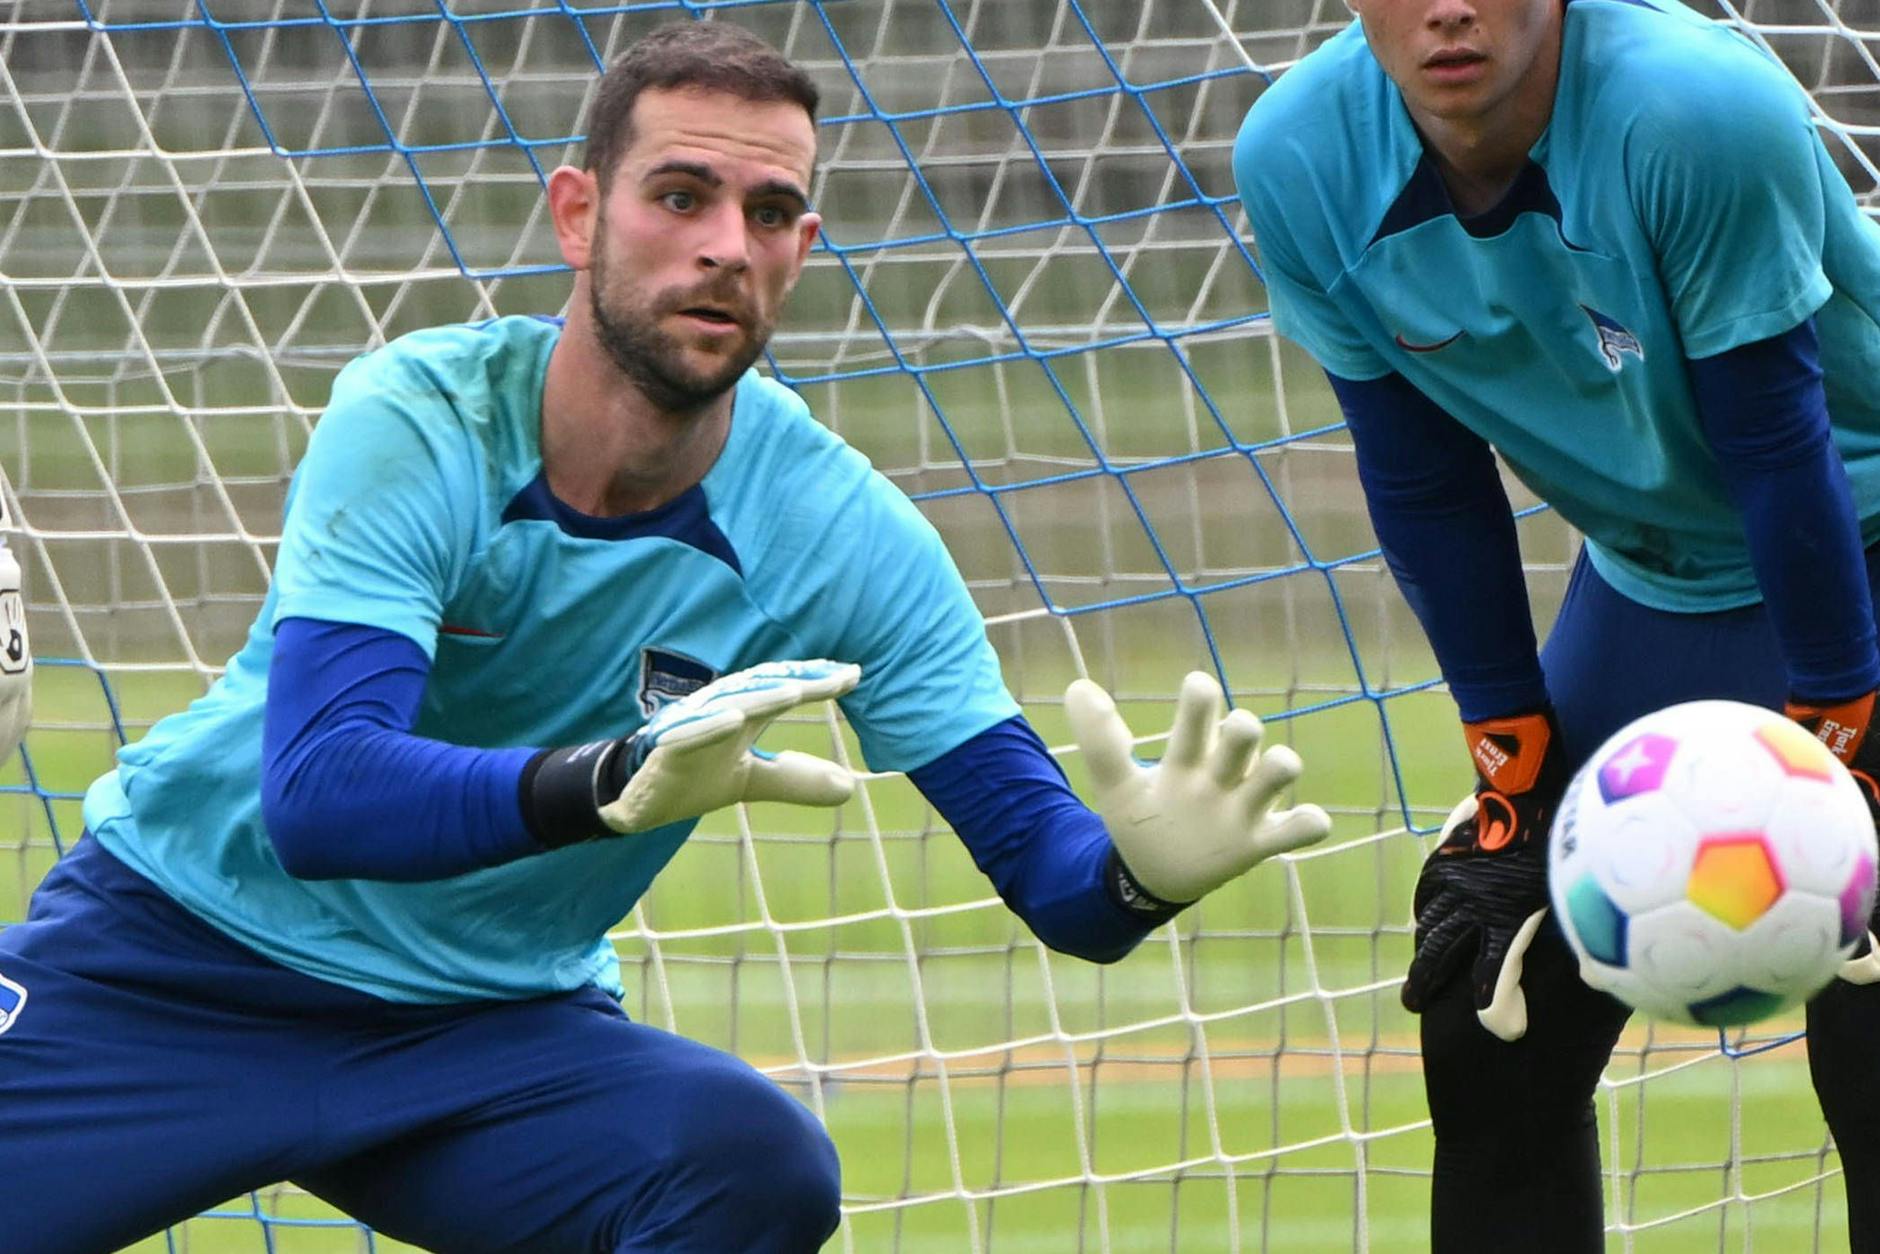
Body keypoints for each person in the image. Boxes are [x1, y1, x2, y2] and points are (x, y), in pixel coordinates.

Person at [0, 20, 1332, 1254]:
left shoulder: (842, 532)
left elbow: (1057, 881)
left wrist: (1138, 874)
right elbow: (322, 794)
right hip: (170, 962)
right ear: (580, 211)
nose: (726, 246)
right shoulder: (421, 415)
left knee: (747, 1167)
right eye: (681, 196)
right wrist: (610, 780)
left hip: (492, 1028)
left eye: (768, 213)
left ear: (803, 247)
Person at [1234, 0, 1880, 1249]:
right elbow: (1423, 481)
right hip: (1650, 586)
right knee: (1486, 990)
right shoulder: (1296, 155)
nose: (1447, 8)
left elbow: (1772, 443)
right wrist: (1510, 769)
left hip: (1854, 535)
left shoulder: (1696, 110)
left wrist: (1839, 741)